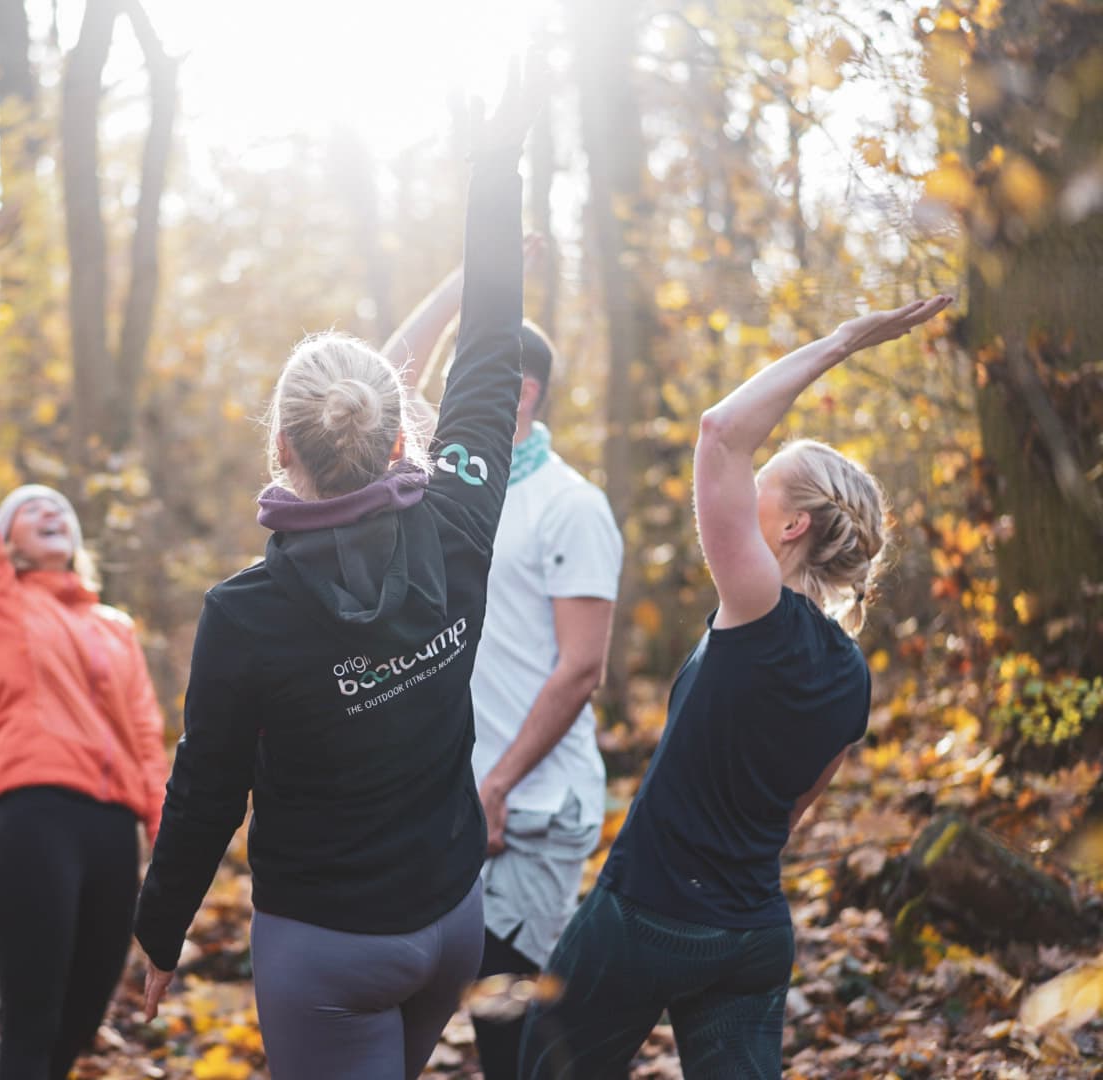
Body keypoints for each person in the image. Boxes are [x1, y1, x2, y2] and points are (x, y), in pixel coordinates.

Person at [131, 68, 534, 1080]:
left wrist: (159, 928)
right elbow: (493, 346)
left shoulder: (245, 614)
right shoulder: (458, 514)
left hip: (329, 951)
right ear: (402, 437)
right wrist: (495, 170)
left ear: (280, 448)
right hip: (453, 922)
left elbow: (208, 788)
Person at [518, 294, 954, 1079]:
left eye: (764, 485)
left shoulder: (757, 609)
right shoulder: (853, 676)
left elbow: (720, 431)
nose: (743, 491)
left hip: (646, 917)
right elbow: (787, 817)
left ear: (792, 528)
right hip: (752, 937)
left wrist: (843, 341)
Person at [383, 259, 622, 1080]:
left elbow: (582, 669)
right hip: (455, 801)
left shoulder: (572, 505)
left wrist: (499, 784)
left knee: (515, 1030)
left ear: (518, 392)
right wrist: (464, 281)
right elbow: (383, 382)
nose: (444, 392)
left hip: (532, 806)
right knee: (478, 1013)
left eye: (468, 374)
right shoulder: (446, 480)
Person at [0, 364, 170, 1080]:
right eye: (30, 508)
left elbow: (146, 735)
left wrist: (167, 837)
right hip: (36, 818)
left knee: (83, 1019)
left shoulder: (115, 627)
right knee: (33, 1023)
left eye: (60, 508)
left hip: (115, 834)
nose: (50, 511)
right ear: (4, 539)